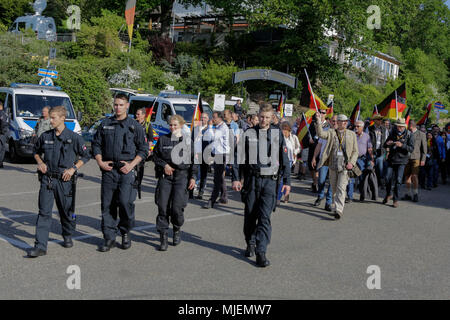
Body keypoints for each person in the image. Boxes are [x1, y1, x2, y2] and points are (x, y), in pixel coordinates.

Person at [232, 103, 291, 267]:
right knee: (250, 216)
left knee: (265, 217)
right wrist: (236, 178)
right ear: (257, 116)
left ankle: (261, 251)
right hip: (252, 180)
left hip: (270, 182)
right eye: (261, 117)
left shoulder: (277, 134)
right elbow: (238, 157)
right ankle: (250, 241)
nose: (264, 120)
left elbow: (285, 159)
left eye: (267, 117)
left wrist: (287, 181)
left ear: (272, 118)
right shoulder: (249, 133)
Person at [28, 106, 90, 258]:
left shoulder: (74, 137)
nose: (50, 120)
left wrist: (73, 169)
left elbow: (86, 155)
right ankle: (40, 246)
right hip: (48, 179)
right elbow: (35, 151)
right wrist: (40, 163)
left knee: (65, 211)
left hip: (65, 180)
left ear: (63, 118)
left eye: (53, 117)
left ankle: (67, 233)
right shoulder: (46, 136)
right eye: (50, 117)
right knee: (44, 212)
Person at [92, 94, 148, 252]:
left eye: (121, 105)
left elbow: (144, 150)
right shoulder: (105, 124)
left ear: (127, 106)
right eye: (116, 104)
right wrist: (100, 162)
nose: (117, 107)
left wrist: (131, 165)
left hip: (126, 171)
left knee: (125, 202)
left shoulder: (134, 126)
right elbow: (96, 145)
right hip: (109, 170)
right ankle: (109, 238)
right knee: (108, 205)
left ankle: (125, 232)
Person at [153, 115, 197, 251]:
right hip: (166, 177)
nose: (172, 127)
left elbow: (194, 161)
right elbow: (155, 156)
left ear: (181, 126)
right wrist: (164, 165)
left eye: (175, 125)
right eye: (170, 125)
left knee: (177, 208)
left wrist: (193, 177)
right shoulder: (163, 139)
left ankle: (176, 228)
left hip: (181, 177)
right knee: (163, 207)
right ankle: (163, 236)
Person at [315, 113, 358, 220]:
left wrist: (351, 163)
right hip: (333, 165)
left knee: (341, 188)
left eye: (344, 121)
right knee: (334, 188)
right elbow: (320, 134)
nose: (342, 123)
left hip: (344, 166)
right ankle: (335, 207)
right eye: (339, 121)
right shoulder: (331, 132)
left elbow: (355, 151)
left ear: (346, 123)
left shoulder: (351, 134)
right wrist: (319, 122)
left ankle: (339, 210)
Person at [383, 118, 415, 208]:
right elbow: (384, 144)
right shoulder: (392, 132)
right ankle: (389, 193)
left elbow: (411, 149)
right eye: (397, 126)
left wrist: (402, 145)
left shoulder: (409, 135)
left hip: (402, 161)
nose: (399, 128)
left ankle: (395, 200)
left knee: (398, 180)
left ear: (404, 126)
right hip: (391, 160)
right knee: (387, 178)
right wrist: (387, 143)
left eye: (401, 126)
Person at [203, 111, 230, 209]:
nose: (212, 119)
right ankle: (224, 196)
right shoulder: (218, 127)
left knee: (217, 178)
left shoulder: (222, 128)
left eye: (214, 117)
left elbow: (212, 137)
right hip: (218, 154)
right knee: (219, 177)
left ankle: (212, 200)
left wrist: (209, 127)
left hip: (222, 155)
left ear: (220, 118)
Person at [312, 115, 338, 211]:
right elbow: (319, 145)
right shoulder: (325, 131)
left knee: (332, 182)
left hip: (335, 161)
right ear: (330, 121)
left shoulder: (341, 133)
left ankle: (328, 202)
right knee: (321, 180)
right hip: (324, 159)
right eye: (333, 121)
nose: (334, 122)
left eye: (336, 121)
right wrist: (314, 157)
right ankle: (320, 195)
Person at [402, 120, 427, 202]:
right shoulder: (406, 133)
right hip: (406, 157)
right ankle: (408, 194)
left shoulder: (421, 134)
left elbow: (424, 148)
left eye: (408, 125)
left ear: (411, 125)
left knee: (414, 176)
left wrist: (423, 159)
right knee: (407, 176)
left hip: (416, 157)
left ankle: (415, 193)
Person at [350, 120, 373, 203]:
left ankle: (362, 194)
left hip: (362, 160)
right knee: (351, 178)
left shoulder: (367, 136)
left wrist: (371, 159)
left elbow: (369, 149)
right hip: (352, 159)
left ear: (362, 127)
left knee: (361, 179)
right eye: (355, 126)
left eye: (358, 126)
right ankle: (350, 196)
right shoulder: (351, 135)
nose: (355, 128)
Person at [277, 121, 300, 203]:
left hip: (289, 161)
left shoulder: (293, 138)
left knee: (284, 178)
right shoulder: (279, 138)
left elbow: (298, 148)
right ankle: (280, 196)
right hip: (280, 161)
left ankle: (283, 195)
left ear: (289, 130)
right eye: (282, 129)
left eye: (285, 130)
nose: (284, 132)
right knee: (280, 179)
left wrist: (295, 152)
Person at [193, 113, 214, 199]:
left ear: (208, 119)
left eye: (205, 117)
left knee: (203, 174)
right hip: (195, 153)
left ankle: (201, 192)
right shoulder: (196, 127)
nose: (203, 119)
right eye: (201, 117)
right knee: (193, 172)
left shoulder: (209, 129)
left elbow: (212, 141)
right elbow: (191, 139)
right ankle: (191, 191)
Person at [368, 114, 388, 186]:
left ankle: (380, 180)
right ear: (374, 120)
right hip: (372, 150)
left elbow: (387, 139)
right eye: (378, 119)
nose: (380, 121)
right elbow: (368, 140)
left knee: (379, 164)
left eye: (381, 119)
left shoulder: (384, 129)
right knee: (372, 165)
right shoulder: (369, 129)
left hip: (381, 150)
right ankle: (373, 181)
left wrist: (387, 150)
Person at [0, 101, 9, 168]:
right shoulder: (4, 113)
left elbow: (3, 124)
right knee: (2, 149)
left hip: (2, 133)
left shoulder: (2, 113)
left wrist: (2, 132)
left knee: (1, 148)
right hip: (4, 133)